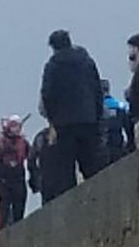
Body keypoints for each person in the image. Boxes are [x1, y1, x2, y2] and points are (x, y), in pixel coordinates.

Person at [40, 30, 107, 201]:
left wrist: (52, 122)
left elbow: (48, 95)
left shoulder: (53, 66)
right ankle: (98, 199)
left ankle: (72, 206)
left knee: (66, 171)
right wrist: (97, 117)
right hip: (88, 120)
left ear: (54, 47)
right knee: (91, 166)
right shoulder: (87, 62)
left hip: (64, 124)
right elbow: (97, 91)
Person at [0, 115, 31, 229]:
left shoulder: (24, 144)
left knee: (19, 216)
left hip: (19, 183)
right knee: (2, 217)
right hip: (3, 184)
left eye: (17, 126)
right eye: (12, 125)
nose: (15, 129)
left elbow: (31, 160)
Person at [101, 79, 130, 164]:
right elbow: (128, 127)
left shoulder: (98, 107)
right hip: (118, 143)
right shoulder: (119, 105)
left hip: (103, 145)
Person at [27, 126, 56, 205]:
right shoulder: (41, 137)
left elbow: (31, 160)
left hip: (61, 177)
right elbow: (31, 160)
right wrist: (35, 179)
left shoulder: (41, 137)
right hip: (47, 180)